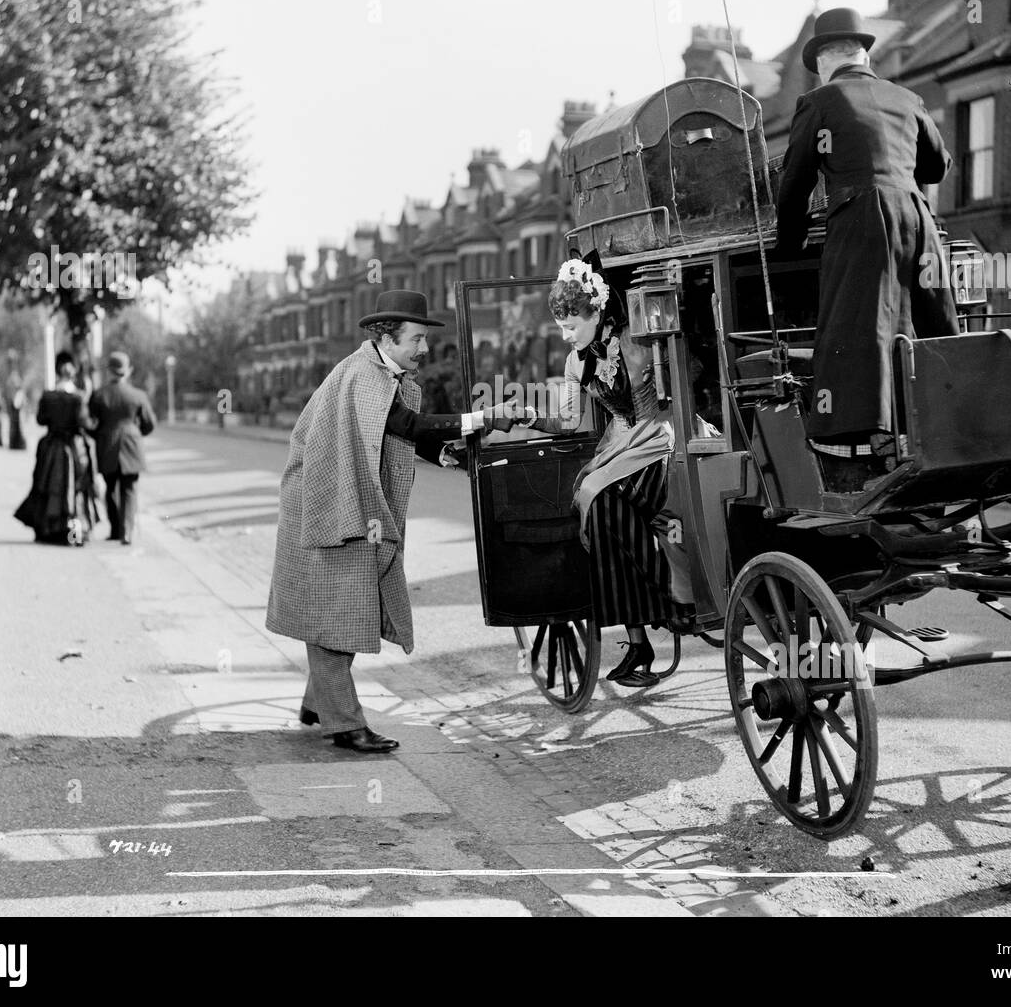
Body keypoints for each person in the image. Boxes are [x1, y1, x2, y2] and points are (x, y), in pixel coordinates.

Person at [265, 290, 520, 754]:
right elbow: (406, 425)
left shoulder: (383, 374)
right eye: (417, 339)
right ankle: (343, 724)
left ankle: (318, 702)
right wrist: (484, 418)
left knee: (336, 605)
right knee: (336, 610)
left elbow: (399, 432)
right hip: (325, 506)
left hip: (338, 501)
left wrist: (447, 456)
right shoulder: (364, 375)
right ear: (387, 336)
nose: (424, 349)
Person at [775, 7, 959, 488]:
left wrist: (788, 248)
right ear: (862, 54)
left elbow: (793, 184)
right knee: (927, 321)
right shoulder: (906, 97)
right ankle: (945, 422)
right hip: (917, 219)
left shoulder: (819, 101)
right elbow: (938, 167)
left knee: (859, 325)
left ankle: (860, 449)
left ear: (821, 61)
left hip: (862, 217)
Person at [519, 258, 696, 687]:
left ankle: (669, 600)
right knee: (600, 511)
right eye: (560, 327)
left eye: (571, 326)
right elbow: (569, 421)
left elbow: (684, 377)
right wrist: (527, 415)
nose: (565, 336)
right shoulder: (576, 364)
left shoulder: (636, 339)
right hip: (619, 445)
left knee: (603, 500)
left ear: (596, 313)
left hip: (661, 437)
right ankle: (638, 641)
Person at [14, 351, 101, 545]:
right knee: (75, 492)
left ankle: (48, 532)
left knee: (47, 489)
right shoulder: (78, 398)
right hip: (73, 449)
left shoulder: (48, 396)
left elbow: (40, 420)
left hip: (51, 447)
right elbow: (84, 423)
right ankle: (72, 536)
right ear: (73, 374)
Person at [89, 350, 157, 546]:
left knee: (110, 489)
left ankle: (115, 529)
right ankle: (127, 531)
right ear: (128, 371)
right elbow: (149, 424)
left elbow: (90, 423)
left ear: (109, 371)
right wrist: (136, 432)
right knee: (129, 489)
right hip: (132, 445)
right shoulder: (138, 395)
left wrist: (101, 435)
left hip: (107, 445)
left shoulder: (99, 395)